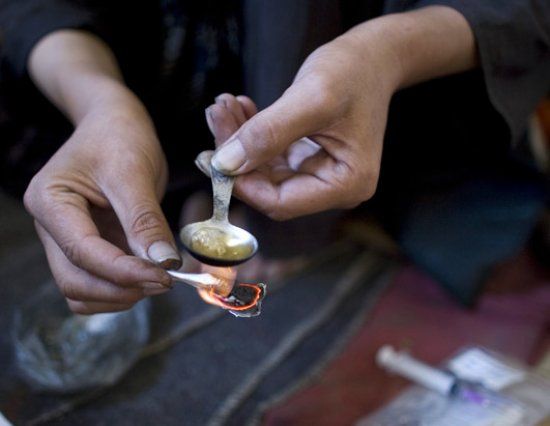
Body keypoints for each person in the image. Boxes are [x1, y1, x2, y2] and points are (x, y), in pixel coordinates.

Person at [0, 1, 548, 314]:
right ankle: (193, 191)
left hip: (397, 93)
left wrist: (385, 51)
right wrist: (99, 102)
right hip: (140, 69)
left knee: (466, 229)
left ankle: (307, 217)